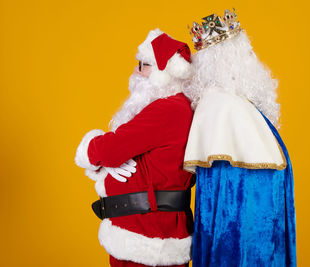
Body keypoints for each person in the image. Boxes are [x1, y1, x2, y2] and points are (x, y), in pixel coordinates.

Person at [183, 9, 297, 266]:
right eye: (246, 51)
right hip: (249, 235)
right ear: (231, 60)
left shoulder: (236, 103)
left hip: (263, 228)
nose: (252, 56)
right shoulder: (224, 106)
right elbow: (233, 203)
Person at [75, 29, 194, 267]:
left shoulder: (167, 109)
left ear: (166, 73)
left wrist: (91, 143)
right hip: (148, 231)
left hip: (147, 237)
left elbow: (108, 151)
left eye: (144, 66)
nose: (135, 72)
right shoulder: (175, 107)